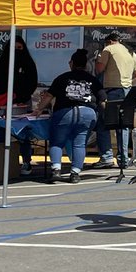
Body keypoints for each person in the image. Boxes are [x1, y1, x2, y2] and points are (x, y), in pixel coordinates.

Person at [42, 49, 102, 183]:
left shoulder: (62, 78)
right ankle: (75, 173)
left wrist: (38, 110)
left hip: (64, 113)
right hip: (87, 113)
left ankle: (56, 170)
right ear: (86, 65)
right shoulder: (93, 79)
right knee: (79, 144)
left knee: (57, 142)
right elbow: (102, 98)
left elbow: (48, 96)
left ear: (71, 63)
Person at [0, 36, 39, 175]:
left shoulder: (28, 63)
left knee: (23, 133)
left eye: (19, 48)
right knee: (1, 131)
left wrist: (22, 97)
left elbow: (32, 82)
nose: (17, 51)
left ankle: (26, 161)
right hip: (3, 101)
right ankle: (0, 163)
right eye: (14, 48)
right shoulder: (0, 63)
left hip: (22, 102)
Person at [94, 31, 136, 168]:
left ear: (109, 41)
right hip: (126, 90)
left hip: (111, 90)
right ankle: (123, 159)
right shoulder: (130, 51)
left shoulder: (108, 49)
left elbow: (99, 69)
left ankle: (106, 157)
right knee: (123, 125)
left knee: (103, 123)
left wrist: (98, 58)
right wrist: (127, 84)